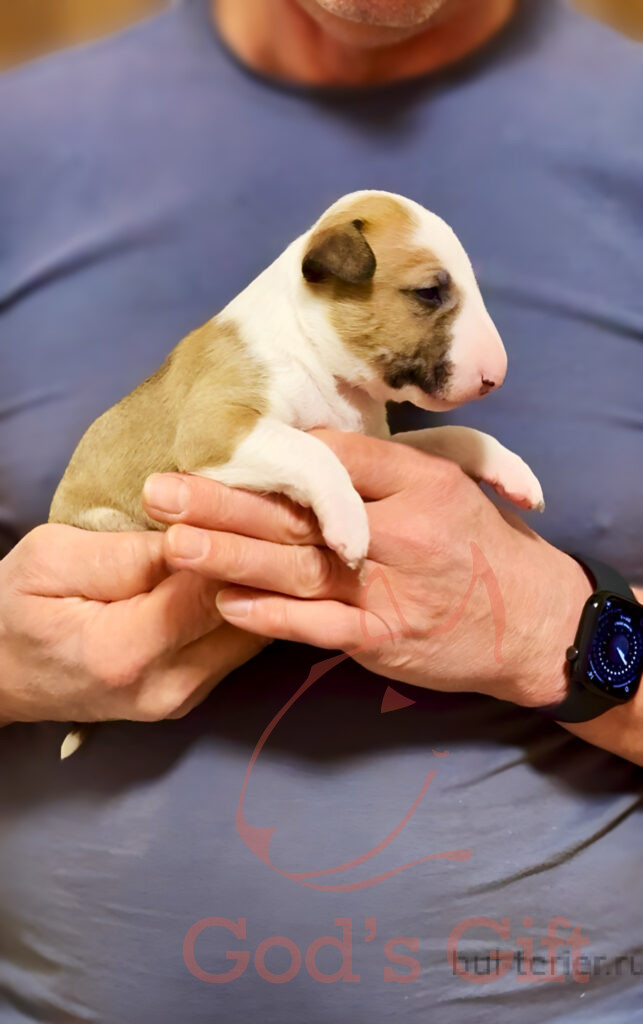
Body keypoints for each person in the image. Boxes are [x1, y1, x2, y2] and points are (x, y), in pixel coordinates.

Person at [0, 0, 641, 1020]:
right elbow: (235, 448)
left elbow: (374, 467)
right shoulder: (23, 137)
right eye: (431, 298)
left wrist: (555, 631)